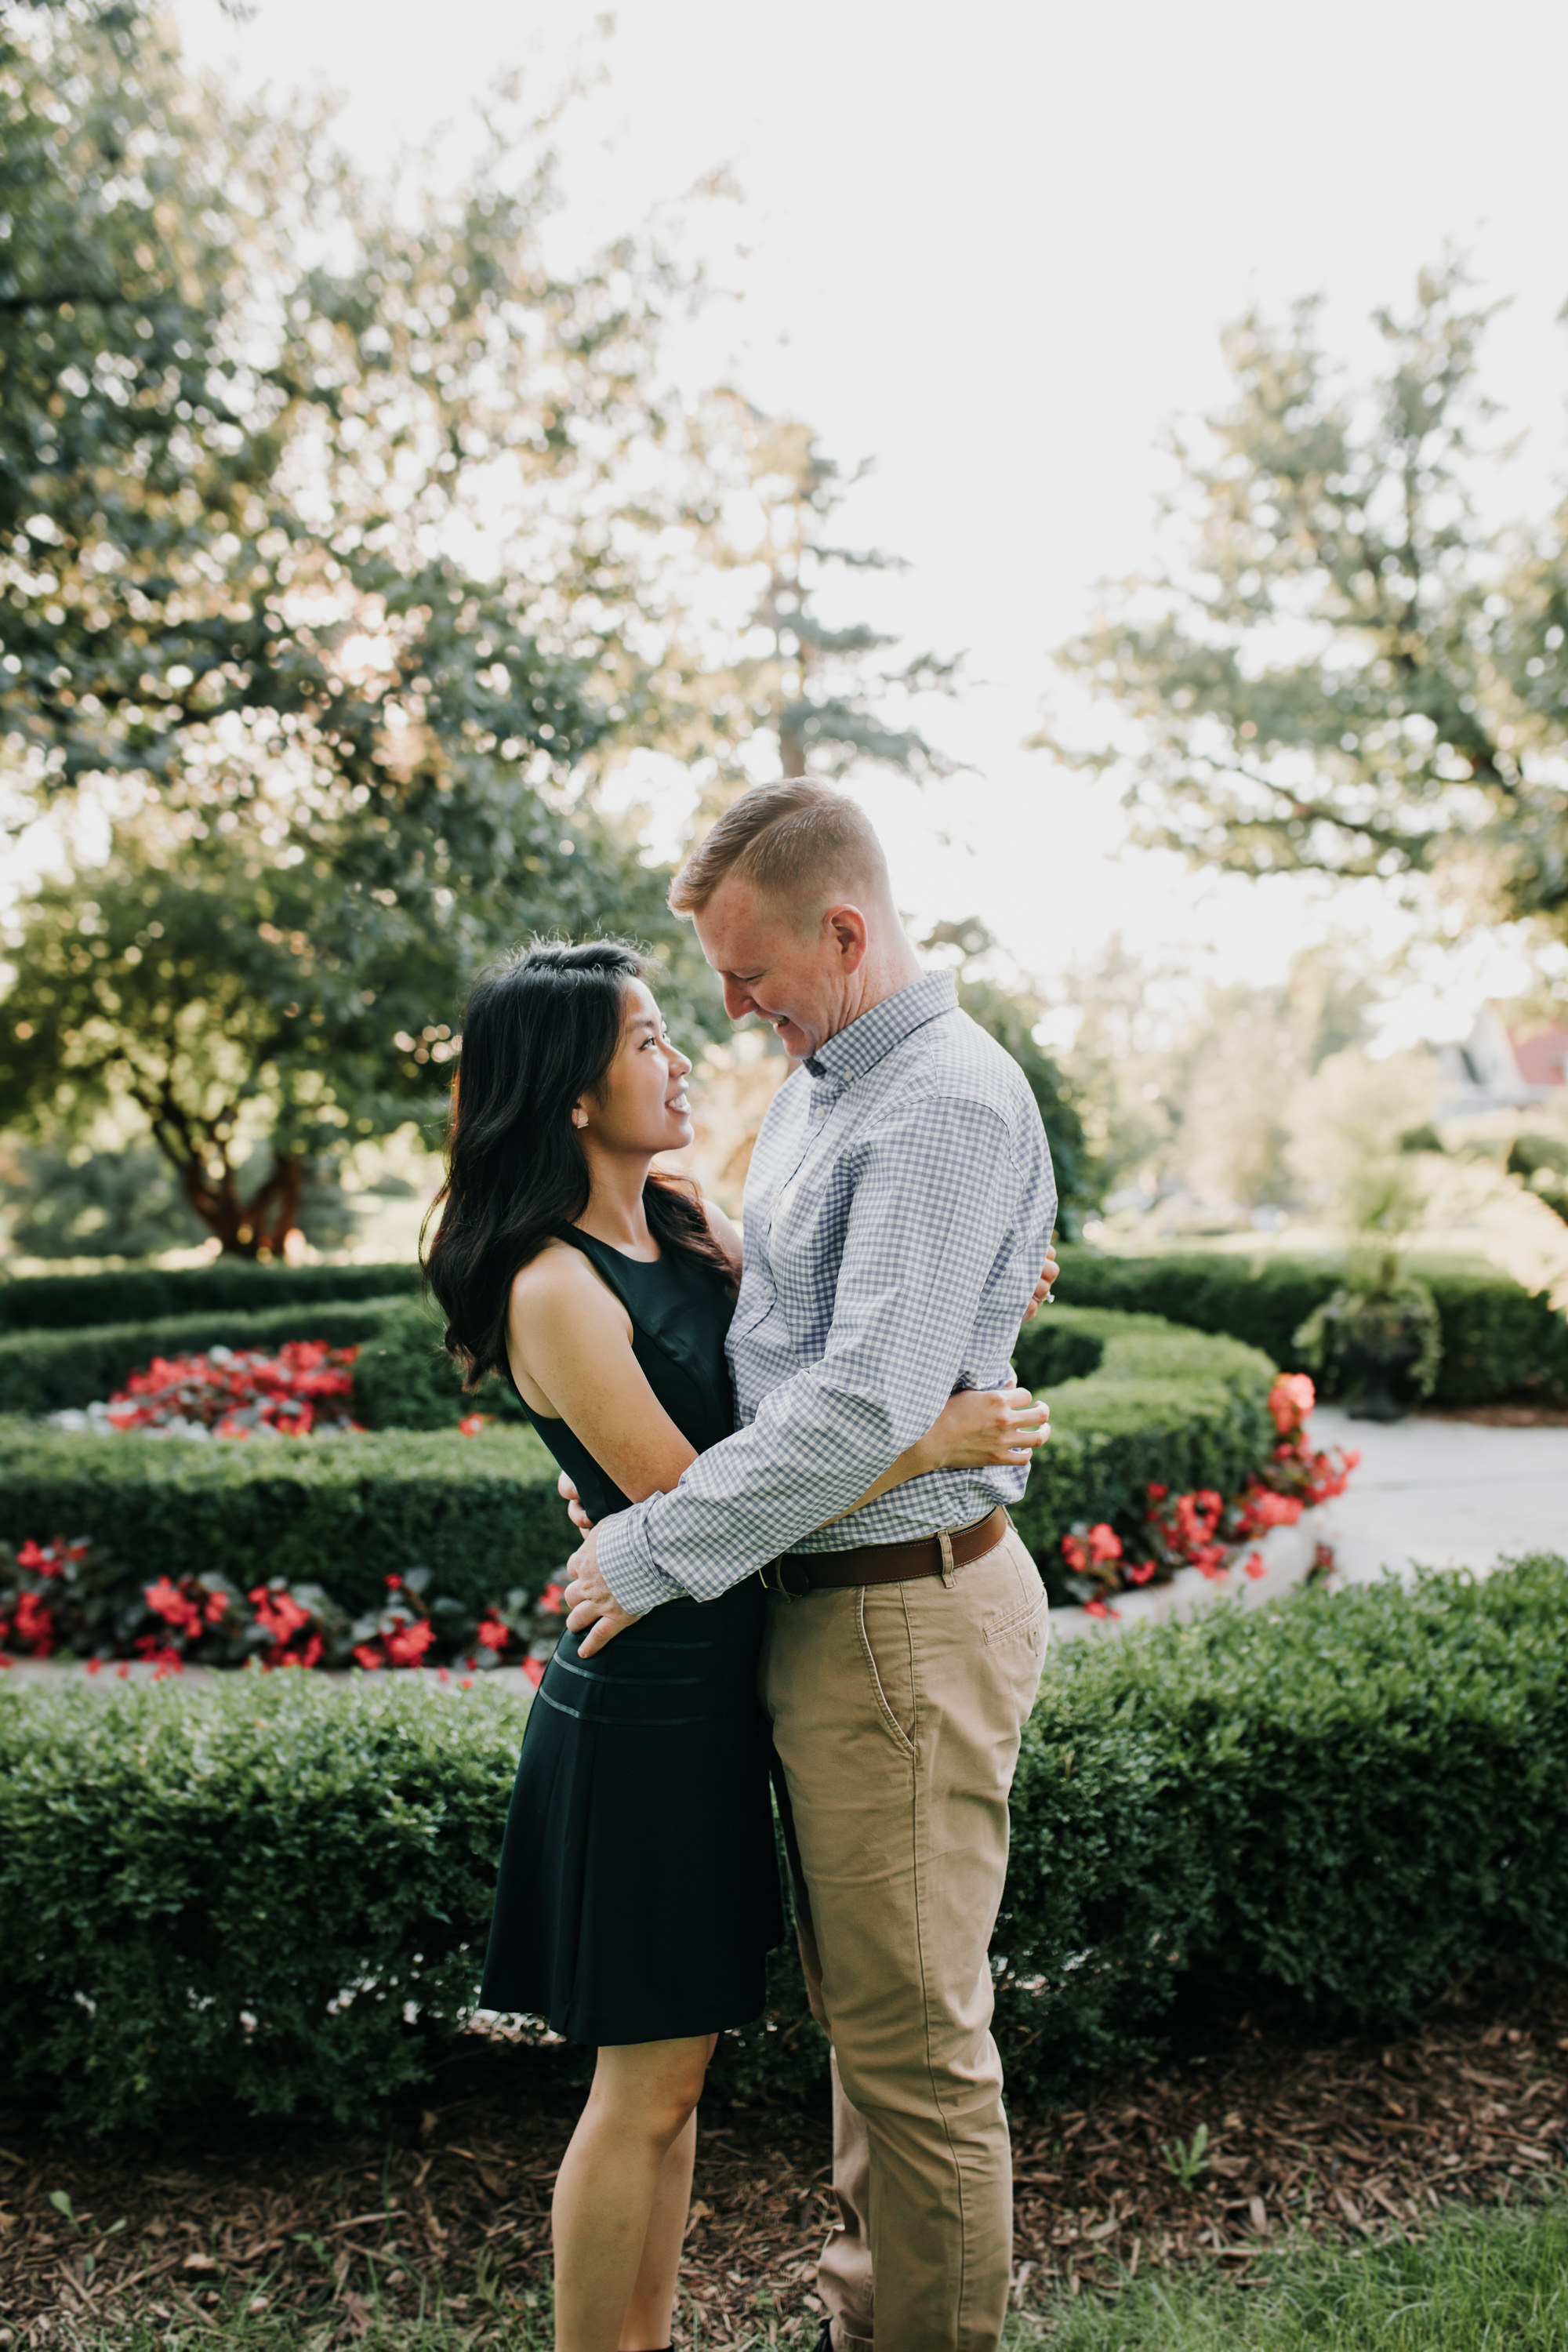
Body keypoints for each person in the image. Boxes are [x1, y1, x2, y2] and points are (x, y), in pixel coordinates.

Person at [422, 938, 1052, 2352]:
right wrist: (934, 1437)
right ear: (571, 1091)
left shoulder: (679, 1216)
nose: (683, 1054)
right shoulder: (553, 1284)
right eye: (646, 1038)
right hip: (650, 1697)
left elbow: (830, 1360)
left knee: (681, 2086)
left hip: (730, 1675)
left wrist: (986, 1279)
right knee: (642, 2094)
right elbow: (701, 1498)